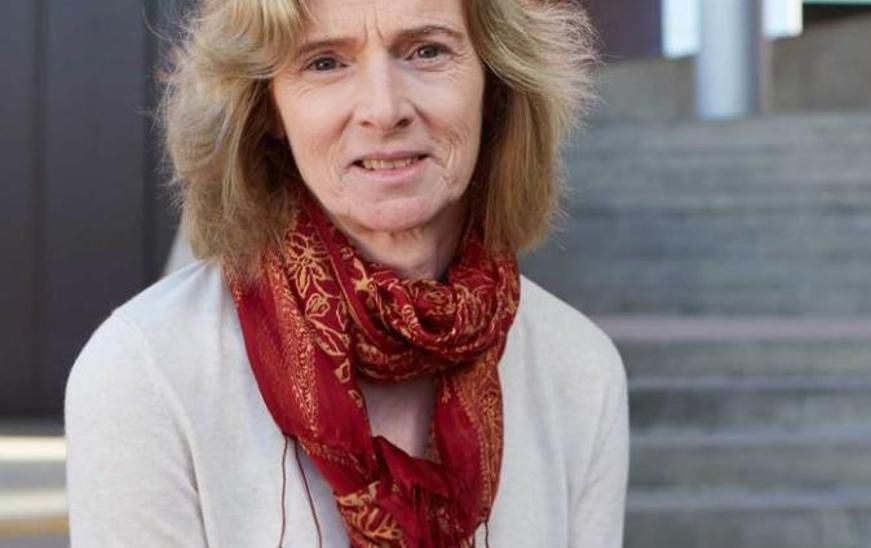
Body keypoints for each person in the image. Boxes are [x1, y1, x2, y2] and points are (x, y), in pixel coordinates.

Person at [63, 0, 628, 546]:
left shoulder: (578, 368)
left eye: (427, 51)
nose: (384, 110)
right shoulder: (147, 371)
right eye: (325, 62)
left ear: (496, 86)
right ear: (267, 111)